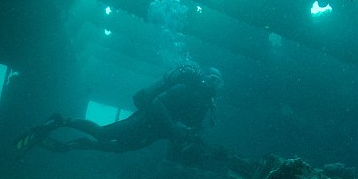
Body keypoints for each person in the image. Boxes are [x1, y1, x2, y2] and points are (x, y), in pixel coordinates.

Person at [14, 64, 224, 157]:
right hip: (143, 122)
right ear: (204, 77)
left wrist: (187, 135)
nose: (215, 84)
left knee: (114, 148)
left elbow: (191, 128)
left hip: (153, 134)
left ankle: (68, 146)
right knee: (103, 133)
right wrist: (173, 127)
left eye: (219, 81)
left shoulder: (204, 106)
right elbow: (156, 104)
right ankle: (61, 121)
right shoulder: (184, 88)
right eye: (212, 78)